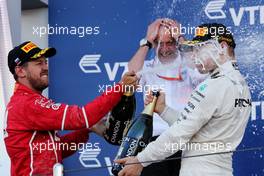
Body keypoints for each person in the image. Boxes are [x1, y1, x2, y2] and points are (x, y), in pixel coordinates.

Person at [116, 23, 252, 176]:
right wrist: (164, 109)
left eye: (200, 48)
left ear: (222, 47)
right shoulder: (241, 85)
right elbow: (199, 132)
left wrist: (141, 160)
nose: (194, 55)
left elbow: (180, 133)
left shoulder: (213, 86)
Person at [3, 41, 138, 176]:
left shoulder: (27, 102)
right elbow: (80, 117)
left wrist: (86, 130)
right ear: (20, 71)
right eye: (39, 63)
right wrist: (120, 87)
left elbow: (57, 149)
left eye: (45, 62)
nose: (45, 67)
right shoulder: (26, 104)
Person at [128, 18, 205, 176]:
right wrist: (147, 41)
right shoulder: (147, 67)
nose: (164, 49)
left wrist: (181, 38)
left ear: (177, 42)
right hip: (155, 141)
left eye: (169, 42)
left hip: (186, 139)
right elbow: (129, 78)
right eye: (159, 43)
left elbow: (201, 70)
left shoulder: (189, 63)